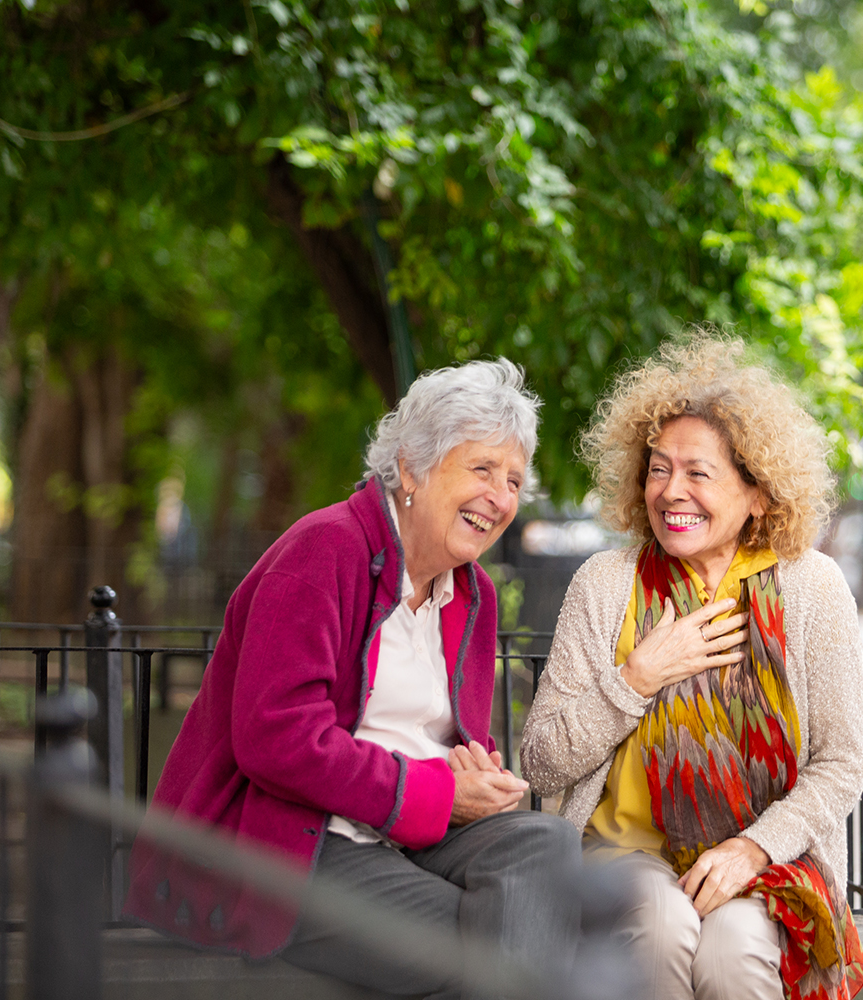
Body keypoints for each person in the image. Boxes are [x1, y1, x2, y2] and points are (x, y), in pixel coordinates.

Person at [126, 359, 581, 998]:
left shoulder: (471, 594)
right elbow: (275, 738)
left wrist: (472, 777)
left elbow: (434, 739)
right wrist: (435, 792)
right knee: (495, 940)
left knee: (547, 846)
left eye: (513, 480)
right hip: (289, 843)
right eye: (481, 469)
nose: (501, 498)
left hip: (409, 833)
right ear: (412, 469)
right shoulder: (323, 552)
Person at [521, 338, 863, 1000]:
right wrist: (636, 679)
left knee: (734, 959)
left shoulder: (812, 588)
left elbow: (844, 762)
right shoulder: (607, 584)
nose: (671, 491)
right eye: (658, 469)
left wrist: (754, 848)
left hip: (764, 860)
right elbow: (541, 761)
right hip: (625, 860)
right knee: (660, 928)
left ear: (758, 494)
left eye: (698, 473)